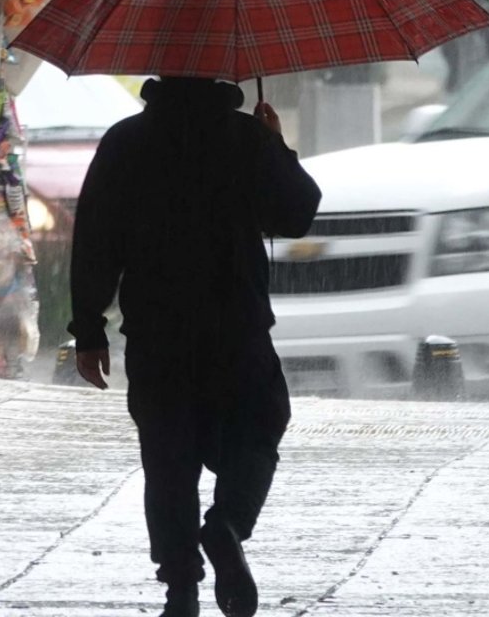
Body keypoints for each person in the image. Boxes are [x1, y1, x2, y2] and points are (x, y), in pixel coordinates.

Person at [68, 78, 321, 617]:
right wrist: (275, 144)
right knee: (259, 426)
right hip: (238, 325)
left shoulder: (126, 142)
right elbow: (297, 214)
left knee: (168, 459)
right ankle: (227, 524)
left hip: (158, 332)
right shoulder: (245, 138)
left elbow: (94, 239)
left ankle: (180, 588)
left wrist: (88, 329)